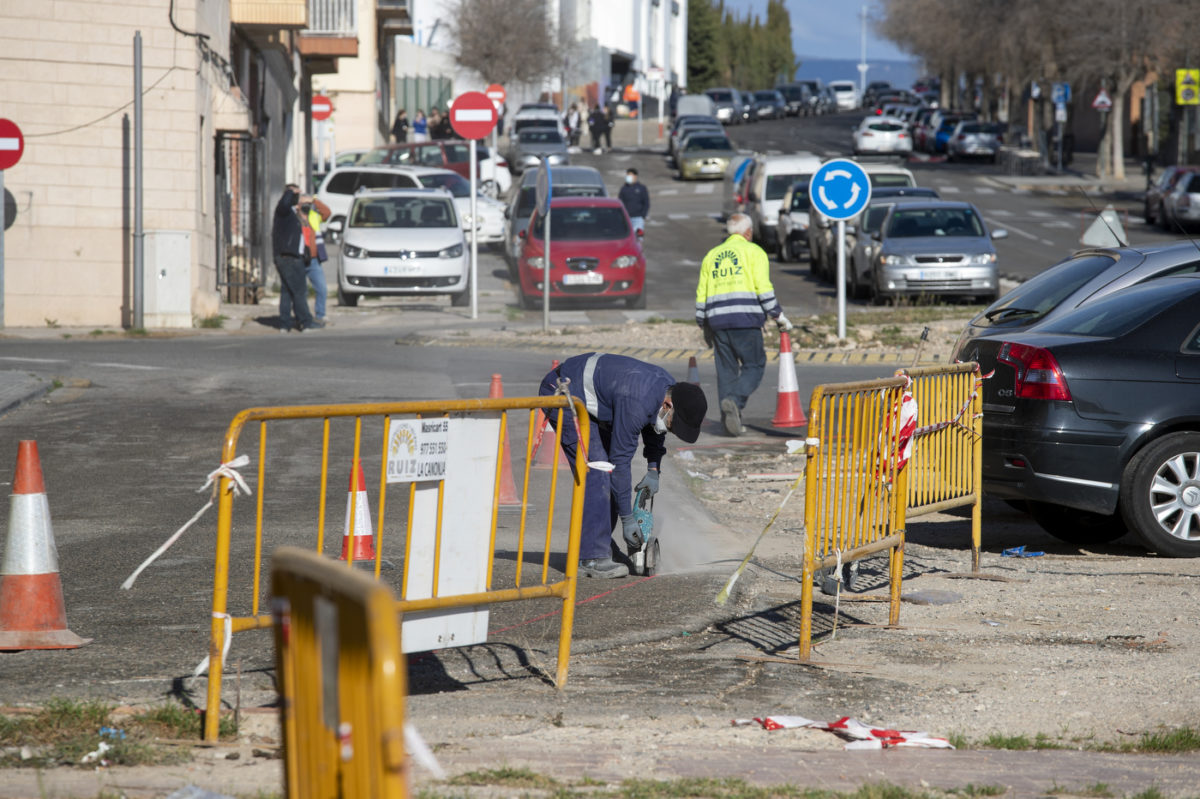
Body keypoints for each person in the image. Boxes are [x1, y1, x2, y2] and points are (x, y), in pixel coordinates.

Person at [538, 353, 707, 579]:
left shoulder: (664, 390)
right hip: (564, 393)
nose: (671, 429)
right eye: (672, 424)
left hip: (593, 401)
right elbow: (620, 462)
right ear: (668, 404)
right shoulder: (637, 401)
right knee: (599, 470)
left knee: (606, 471)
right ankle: (591, 556)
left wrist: (653, 469)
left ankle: (600, 544)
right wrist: (627, 519)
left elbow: (655, 428)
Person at [694, 213, 791, 436]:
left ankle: (729, 422)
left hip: (717, 320)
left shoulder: (712, 255)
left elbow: (702, 292)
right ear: (747, 232)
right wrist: (777, 315)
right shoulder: (754, 252)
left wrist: (702, 321)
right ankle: (734, 401)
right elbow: (763, 287)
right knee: (754, 365)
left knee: (726, 371)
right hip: (745, 319)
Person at [271, 184, 319, 332]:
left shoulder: (294, 214)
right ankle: (306, 321)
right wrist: (291, 192)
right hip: (289, 257)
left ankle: (285, 323)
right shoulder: (283, 211)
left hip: (292, 256)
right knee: (299, 290)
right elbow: (284, 203)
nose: (300, 199)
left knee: (287, 291)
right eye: (297, 196)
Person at [304, 196, 332, 324]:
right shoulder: (295, 216)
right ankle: (302, 316)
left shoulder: (314, 215)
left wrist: (313, 201)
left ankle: (320, 314)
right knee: (300, 291)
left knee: (321, 288)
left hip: (314, 258)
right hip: (299, 258)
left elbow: (327, 213)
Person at [618, 168, 650, 235]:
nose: (628, 177)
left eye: (630, 175)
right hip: (626, 218)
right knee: (628, 237)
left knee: (639, 237)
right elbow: (620, 202)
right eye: (627, 175)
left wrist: (643, 215)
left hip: (638, 218)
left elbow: (646, 202)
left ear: (635, 176)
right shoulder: (624, 189)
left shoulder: (641, 188)